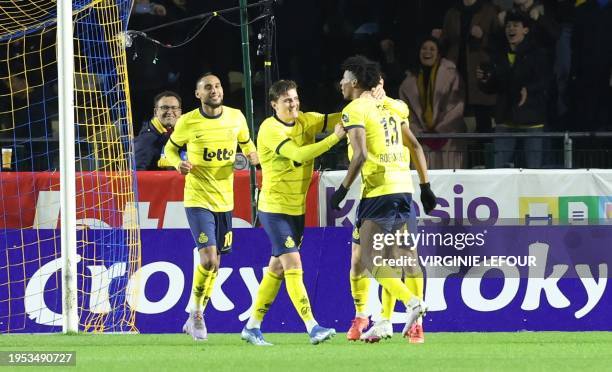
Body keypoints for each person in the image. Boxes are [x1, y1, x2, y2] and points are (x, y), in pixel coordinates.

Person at [330, 55, 437, 343]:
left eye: (343, 80)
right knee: (400, 257)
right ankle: (385, 321)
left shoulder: (353, 109)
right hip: (404, 189)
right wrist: (426, 186)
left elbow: (362, 154)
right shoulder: (394, 106)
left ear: (353, 83)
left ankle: (412, 304)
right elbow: (414, 144)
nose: (340, 84)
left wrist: (340, 190)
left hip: (378, 191)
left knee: (369, 258)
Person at [241, 80, 344, 346]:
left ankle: (252, 326)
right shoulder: (269, 129)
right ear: (275, 104)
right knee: (293, 264)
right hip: (274, 209)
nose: (293, 104)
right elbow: (298, 154)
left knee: (276, 268)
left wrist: (364, 104)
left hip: (296, 211)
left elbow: (337, 117)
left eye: (295, 98)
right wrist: (334, 137)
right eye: (287, 100)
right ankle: (312, 327)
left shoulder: (306, 120)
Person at [164, 73, 258, 341]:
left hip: (224, 201)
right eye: (208, 87)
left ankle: (195, 310)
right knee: (207, 258)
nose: (214, 90)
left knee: (215, 264)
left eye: (217, 86)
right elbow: (170, 150)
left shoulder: (236, 117)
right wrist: (177, 164)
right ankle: (196, 315)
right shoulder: (188, 122)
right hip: (197, 198)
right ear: (198, 95)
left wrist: (251, 156)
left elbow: (248, 145)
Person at [477, 10, 549, 168]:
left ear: (526, 30)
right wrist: (484, 80)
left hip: (532, 121)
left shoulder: (537, 53)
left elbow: (545, 81)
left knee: (533, 172)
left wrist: (527, 89)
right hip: (505, 120)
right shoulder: (498, 55)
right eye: (508, 26)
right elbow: (492, 88)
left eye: (515, 26)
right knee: (499, 171)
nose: (511, 29)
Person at [399, 37, 466, 169]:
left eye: (432, 49)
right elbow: (406, 110)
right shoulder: (408, 81)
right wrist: (419, 132)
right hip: (420, 138)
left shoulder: (452, 75)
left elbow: (456, 105)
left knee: (448, 180)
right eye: (424, 48)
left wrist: (439, 131)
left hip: (448, 138)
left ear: (439, 53)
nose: (427, 52)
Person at [134, 91, 182, 170]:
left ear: (180, 112)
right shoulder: (145, 140)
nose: (170, 112)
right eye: (164, 108)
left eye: (174, 108)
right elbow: (137, 177)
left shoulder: (180, 133)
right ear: (155, 112)